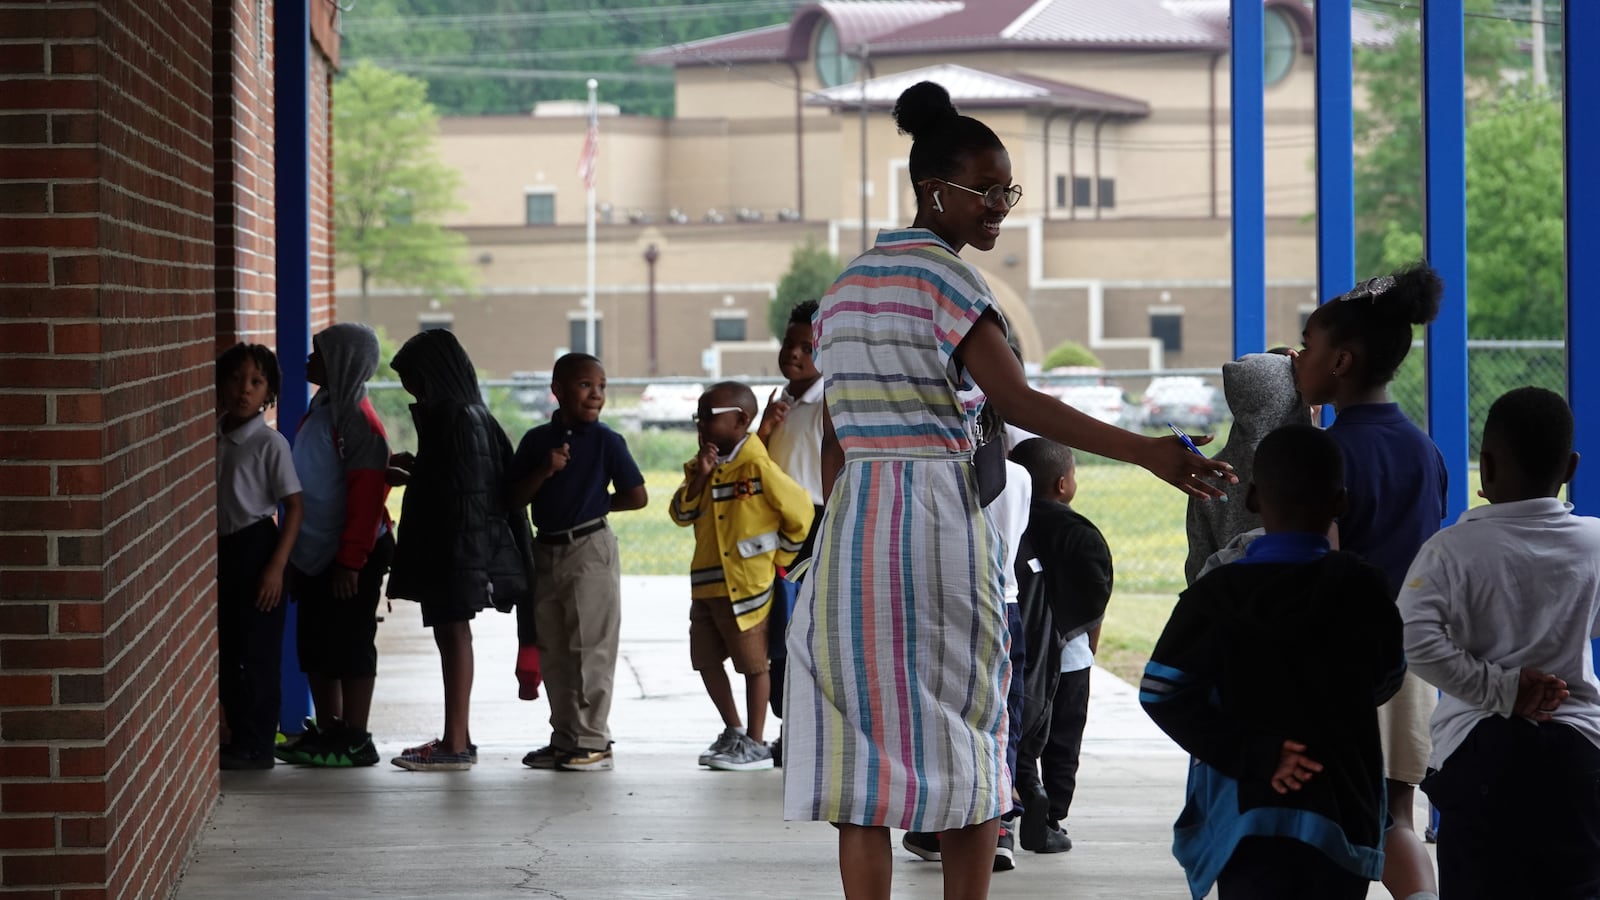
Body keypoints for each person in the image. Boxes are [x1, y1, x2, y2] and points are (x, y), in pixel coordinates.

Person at [781, 80, 1233, 900]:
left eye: (1006, 191)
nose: (999, 208)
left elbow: (840, 442)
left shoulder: (845, 289)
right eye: (986, 192)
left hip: (853, 535)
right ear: (934, 191)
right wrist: (1148, 452)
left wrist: (830, 534)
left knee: (865, 758)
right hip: (937, 529)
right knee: (968, 739)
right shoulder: (954, 285)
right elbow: (1019, 403)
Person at [1141, 424, 1406, 900]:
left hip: (1245, 814)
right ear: (1340, 502)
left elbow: (1161, 691)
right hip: (1342, 805)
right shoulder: (1364, 587)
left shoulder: (1215, 594)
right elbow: (1387, 676)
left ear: (1254, 498)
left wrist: (1257, 754)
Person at [1398, 387, 1600, 899]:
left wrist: (1500, 689)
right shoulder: (1593, 542)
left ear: (1484, 465)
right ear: (1570, 465)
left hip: (1479, 756)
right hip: (1581, 754)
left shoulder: (1450, 551)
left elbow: (1415, 640)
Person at [1294, 262, 1445, 900]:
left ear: (1342, 362)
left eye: (1308, 348)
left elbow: (1317, 570)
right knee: (1396, 817)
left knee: (1336, 826)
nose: (1297, 359)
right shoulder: (1425, 450)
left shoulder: (1326, 452)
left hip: (1343, 666)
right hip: (1410, 661)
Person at [385, 329, 535, 771]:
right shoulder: (462, 414)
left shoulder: (457, 417)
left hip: (455, 550)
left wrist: (459, 564)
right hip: (455, 548)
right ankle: (458, 738)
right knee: (450, 638)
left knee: (453, 637)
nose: (409, 387)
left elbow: (466, 494)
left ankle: (453, 744)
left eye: (412, 377)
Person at [509, 352, 647, 773]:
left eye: (602, 387)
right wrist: (545, 471)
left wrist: (595, 502)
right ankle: (565, 737)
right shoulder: (536, 442)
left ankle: (592, 739)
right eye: (586, 385)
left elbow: (637, 495)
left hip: (589, 548)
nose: (596, 395)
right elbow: (512, 499)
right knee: (554, 649)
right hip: (545, 549)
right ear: (558, 390)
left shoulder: (607, 441)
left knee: (590, 648)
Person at [670, 381, 813, 772]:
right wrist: (699, 477)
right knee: (704, 658)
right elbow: (680, 515)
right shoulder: (702, 465)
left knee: (754, 664)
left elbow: (801, 514)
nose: (701, 423)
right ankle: (732, 729)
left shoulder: (757, 466)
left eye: (709, 416)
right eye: (697, 415)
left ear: (742, 420)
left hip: (748, 588)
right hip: (707, 585)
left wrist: (777, 558)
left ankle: (754, 739)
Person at [276, 323, 394, 768]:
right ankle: (329, 731)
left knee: (350, 644)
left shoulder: (358, 420)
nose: (309, 361)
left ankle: (356, 738)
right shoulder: (323, 407)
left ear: (342, 362)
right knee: (317, 645)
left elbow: (365, 499)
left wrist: (350, 562)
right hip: (315, 553)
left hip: (350, 555)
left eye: (318, 354)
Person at [1008, 437, 1112, 855]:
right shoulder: (1079, 534)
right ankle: (1051, 817)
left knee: (1016, 730)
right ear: (1064, 484)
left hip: (1013, 650)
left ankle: (1019, 799)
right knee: (1063, 738)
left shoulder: (1006, 523)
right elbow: (1095, 598)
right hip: (1069, 654)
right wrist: (1086, 646)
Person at [215, 343, 303, 770]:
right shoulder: (214, 437)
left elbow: (295, 506)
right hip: (222, 550)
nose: (243, 391)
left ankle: (259, 745)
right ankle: (238, 738)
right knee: (228, 650)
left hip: (258, 549)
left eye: (255, 382)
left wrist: (275, 567)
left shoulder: (271, 444)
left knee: (259, 654)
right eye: (235, 379)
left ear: (268, 391)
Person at [755, 299, 825, 742]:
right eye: (789, 344)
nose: (794, 354)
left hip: (813, 526)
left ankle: (804, 728)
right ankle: (787, 723)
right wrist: (764, 427)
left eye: (807, 347)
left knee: (806, 627)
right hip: (772, 528)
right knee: (776, 628)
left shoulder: (829, 404)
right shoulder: (778, 402)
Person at [1184, 352, 1311, 584]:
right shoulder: (1313, 463)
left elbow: (1198, 567)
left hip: (1230, 606)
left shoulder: (1212, 476)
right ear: (1292, 398)